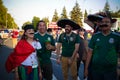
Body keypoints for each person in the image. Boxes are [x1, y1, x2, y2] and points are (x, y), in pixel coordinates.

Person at [84, 12, 120, 80]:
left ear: (111, 23)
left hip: (110, 71)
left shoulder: (116, 37)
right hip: (95, 64)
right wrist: (97, 13)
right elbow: (85, 20)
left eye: (107, 21)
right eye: (101, 21)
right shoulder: (95, 28)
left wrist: (117, 68)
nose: (104, 23)